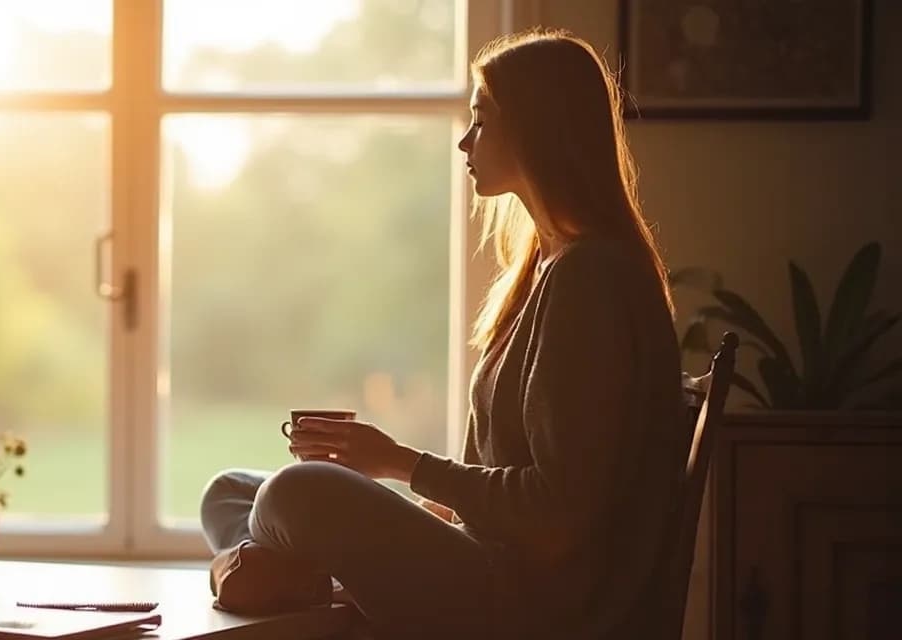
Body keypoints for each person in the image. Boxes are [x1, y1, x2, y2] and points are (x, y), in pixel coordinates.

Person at [199, 28, 687, 639]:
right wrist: (429, 507)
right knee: (230, 492)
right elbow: (518, 476)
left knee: (295, 493)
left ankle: (266, 574)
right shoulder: (548, 266)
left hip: (532, 604)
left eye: (481, 121)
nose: (465, 140)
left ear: (537, 130)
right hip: (491, 561)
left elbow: (556, 515)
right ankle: (294, 576)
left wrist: (398, 462)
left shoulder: (593, 278)